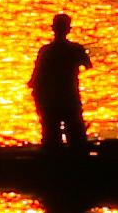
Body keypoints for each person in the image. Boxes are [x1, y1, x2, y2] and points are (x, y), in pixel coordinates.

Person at [27, 13, 93, 150]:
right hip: (69, 98)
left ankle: (53, 164)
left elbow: (34, 80)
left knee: (51, 139)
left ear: (53, 29)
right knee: (76, 138)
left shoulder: (45, 51)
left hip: (50, 101)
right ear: (68, 29)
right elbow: (88, 65)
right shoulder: (75, 49)